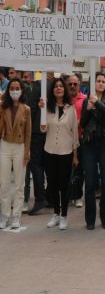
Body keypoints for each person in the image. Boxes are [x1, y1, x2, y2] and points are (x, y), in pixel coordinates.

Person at [41, 78, 79, 230]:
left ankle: (64, 215)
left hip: (66, 152)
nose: (58, 88)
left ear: (64, 89)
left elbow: (75, 133)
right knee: (52, 184)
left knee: (64, 185)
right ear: (52, 90)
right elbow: (43, 129)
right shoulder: (48, 108)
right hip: (49, 151)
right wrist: (42, 110)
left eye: (60, 86)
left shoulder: (71, 109)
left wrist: (75, 155)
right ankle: (55, 214)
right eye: (55, 86)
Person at [80, 73, 105, 230]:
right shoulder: (86, 101)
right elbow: (82, 123)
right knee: (90, 182)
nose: (101, 83)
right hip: (89, 143)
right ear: (93, 84)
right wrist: (88, 109)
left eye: (103, 81)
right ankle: (90, 220)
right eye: (98, 81)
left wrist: (97, 104)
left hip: (104, 142)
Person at [0, 78, 31, 229]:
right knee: (3, 184)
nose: (14, 91)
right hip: (4, 145)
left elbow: (28, 133)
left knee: (19, 184)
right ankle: (5, 215)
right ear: (8, 90)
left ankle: (16, 216)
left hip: (20, 147)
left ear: (21, 90)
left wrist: (27, 152)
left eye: (17, 88)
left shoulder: (26, 109)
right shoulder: (3, 107)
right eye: (12, 88)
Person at [25, 77, 47, 216]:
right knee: (46, 166)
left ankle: (40, 198)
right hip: (44, 131)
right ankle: (48, 197)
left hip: (36, 132)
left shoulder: (36, 87)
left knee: (36, 165)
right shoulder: (47, 85)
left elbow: (30, 111)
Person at [66, 73, 86, 209]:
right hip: (65, 140)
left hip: (80, 139)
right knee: (66, 169)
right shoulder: (63, 100)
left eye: (75, 84)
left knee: (79, 169)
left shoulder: (84, 99)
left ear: (79, 85)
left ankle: (78, 196)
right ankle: (68, 195)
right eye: (70, 84)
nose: (72, 86)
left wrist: (78, 123)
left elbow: (87, 118)